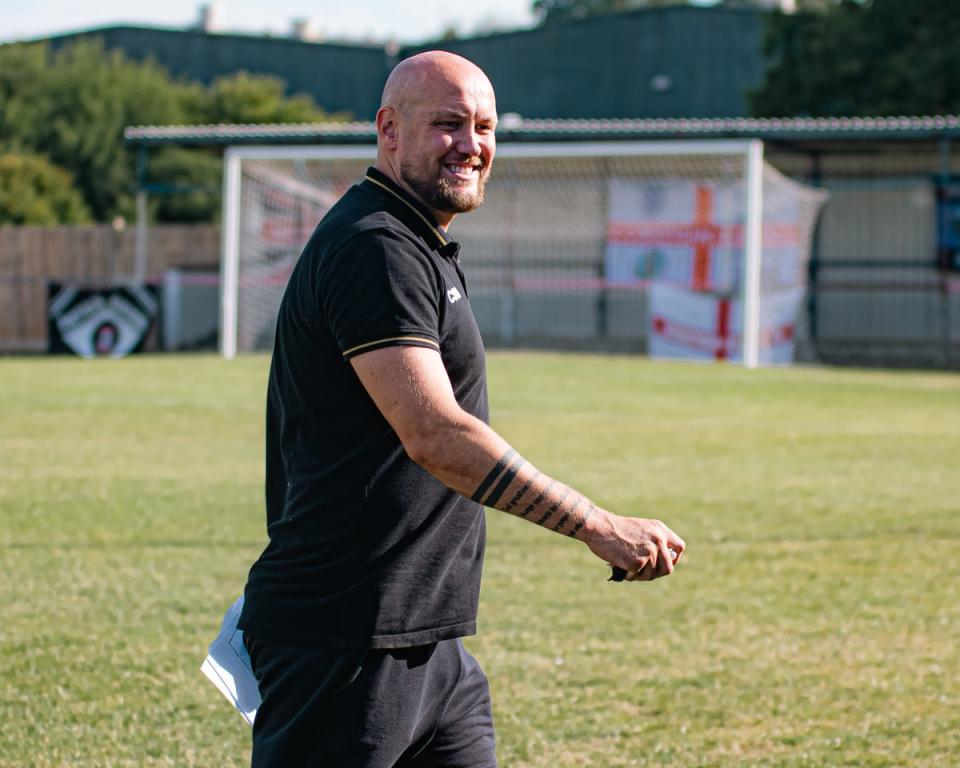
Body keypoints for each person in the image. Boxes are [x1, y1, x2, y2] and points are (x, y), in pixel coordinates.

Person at [238, 50, 686, 768]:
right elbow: (435, 434)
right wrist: (598, 525)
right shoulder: (374, 247)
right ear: (389, 129)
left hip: (427, 644)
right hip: (344, 641)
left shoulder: (418, 242)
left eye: (483, 126)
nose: (471, 146)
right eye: (447, 124)